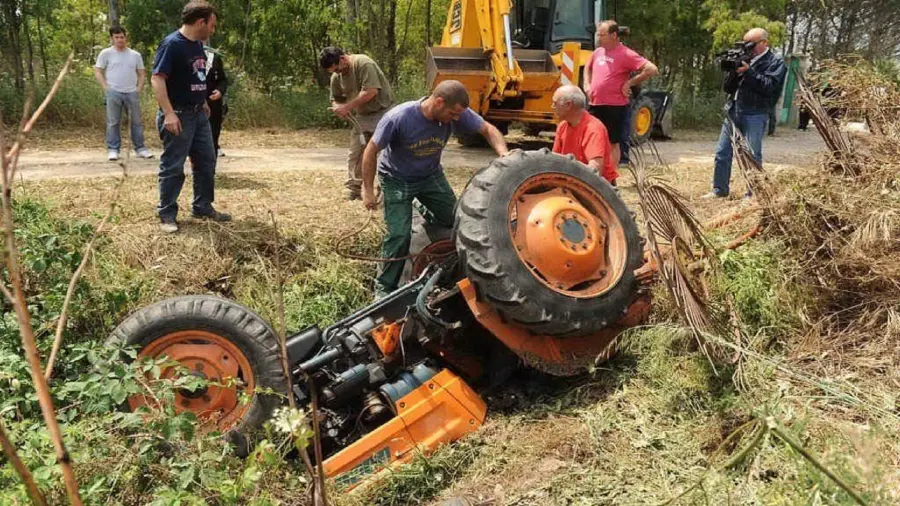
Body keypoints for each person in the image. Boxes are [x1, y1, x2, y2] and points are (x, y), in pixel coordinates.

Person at [361, 80, 508, 297]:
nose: (456, 120)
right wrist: (367, 190)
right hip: (396, 179)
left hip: (430, 176)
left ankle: (424, 207)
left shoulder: (457, 112)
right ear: (439, 102)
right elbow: (370, 151)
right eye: (452, 114)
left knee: (457, 220)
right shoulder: (399, 117)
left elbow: (487, 128)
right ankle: (384, 288)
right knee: (399, 235)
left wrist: (503, 154)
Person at [151, 0, 230, 233]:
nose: (213, 30)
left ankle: (203, 206)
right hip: (178, 115)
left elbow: (197, 76)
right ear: (200, 22)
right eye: (211, 25)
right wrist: (168, 113)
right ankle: (167, 214)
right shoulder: (171, 44)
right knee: (173, 165)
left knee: (207, 160)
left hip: (198, 114)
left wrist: (203, 100)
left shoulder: (197, 45)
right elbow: (157, 79)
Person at [704, 27, 786, 199]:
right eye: (745, 44)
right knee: (722, 152)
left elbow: (769, 87)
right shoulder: (743, 58)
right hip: (734, 109)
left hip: (755, 113)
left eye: (752, 44)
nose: (747, 48)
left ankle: (753, 193)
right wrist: (734, 70)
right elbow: (728, 87)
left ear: (764, 43)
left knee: (752, 155)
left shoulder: (775, 62)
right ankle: (719, 190)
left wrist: (749, 72)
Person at [320, 47, 396, 201]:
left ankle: (386, 189)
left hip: (383, 112)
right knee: (355, 152)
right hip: (362, 115)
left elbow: (370, 91)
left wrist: (347, 107)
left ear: (342, 58)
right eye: (333, 71)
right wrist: (337, 107)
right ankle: (354, 188)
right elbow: (336, 98)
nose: (337, 73)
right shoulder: (336, 76)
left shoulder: (363, 63)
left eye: (337, 68)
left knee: (384, 153)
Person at [584, 20, 658, 168]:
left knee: (612, 143)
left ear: (614, 35)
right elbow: (588, 67)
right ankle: (593, 174)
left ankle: (610, 177)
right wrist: (587, 84)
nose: (599, 38)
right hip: (595, 104)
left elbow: (652, 69)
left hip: (615, 106)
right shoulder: (598, 52)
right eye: (598, 35)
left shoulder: (626, 54)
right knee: (593, 140)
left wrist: (630, 83)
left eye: (602, 35)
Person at [94, 26, 153, 161]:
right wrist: (106, 87)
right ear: (112, 38)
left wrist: (138, 88)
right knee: (113, 122)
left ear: (126, 37)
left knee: (136, 122)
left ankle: (140, 148)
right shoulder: (105, 53)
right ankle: (113, 149)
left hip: (131, 92)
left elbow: (141, 73)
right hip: (113, 91)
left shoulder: (135, 55)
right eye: (117, 37)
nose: (120, 40)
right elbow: (98, 70)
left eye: (122, 37)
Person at [550, 85, 617, 184]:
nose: (552, 107)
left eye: (555, 103)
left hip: (598, 187)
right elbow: (554, 159)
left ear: (568, 105)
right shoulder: (562, 126)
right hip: (573, 180)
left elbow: (595, 170)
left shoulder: (593, 128)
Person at [204, 41, 228, 157]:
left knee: (214, 128)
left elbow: (223, 79)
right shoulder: (185, 55)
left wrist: (220, 91)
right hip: (194, 100)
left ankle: (214, 147)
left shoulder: (214, 56)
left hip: (213, 99)